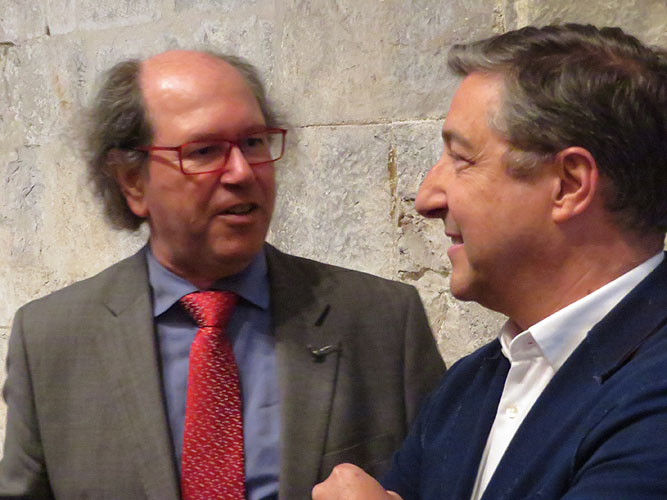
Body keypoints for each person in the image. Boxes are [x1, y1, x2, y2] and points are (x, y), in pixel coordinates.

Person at [0, 50, 445, 500]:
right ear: (133, 181)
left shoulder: (383, 320)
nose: (241, 172)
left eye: (253, 143)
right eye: (204, 151)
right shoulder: (51, 340)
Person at [313, 23, 667, 500]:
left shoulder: (654, 389)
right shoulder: (469, 386)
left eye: (462, 159)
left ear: (568, 185)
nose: (426, 198)